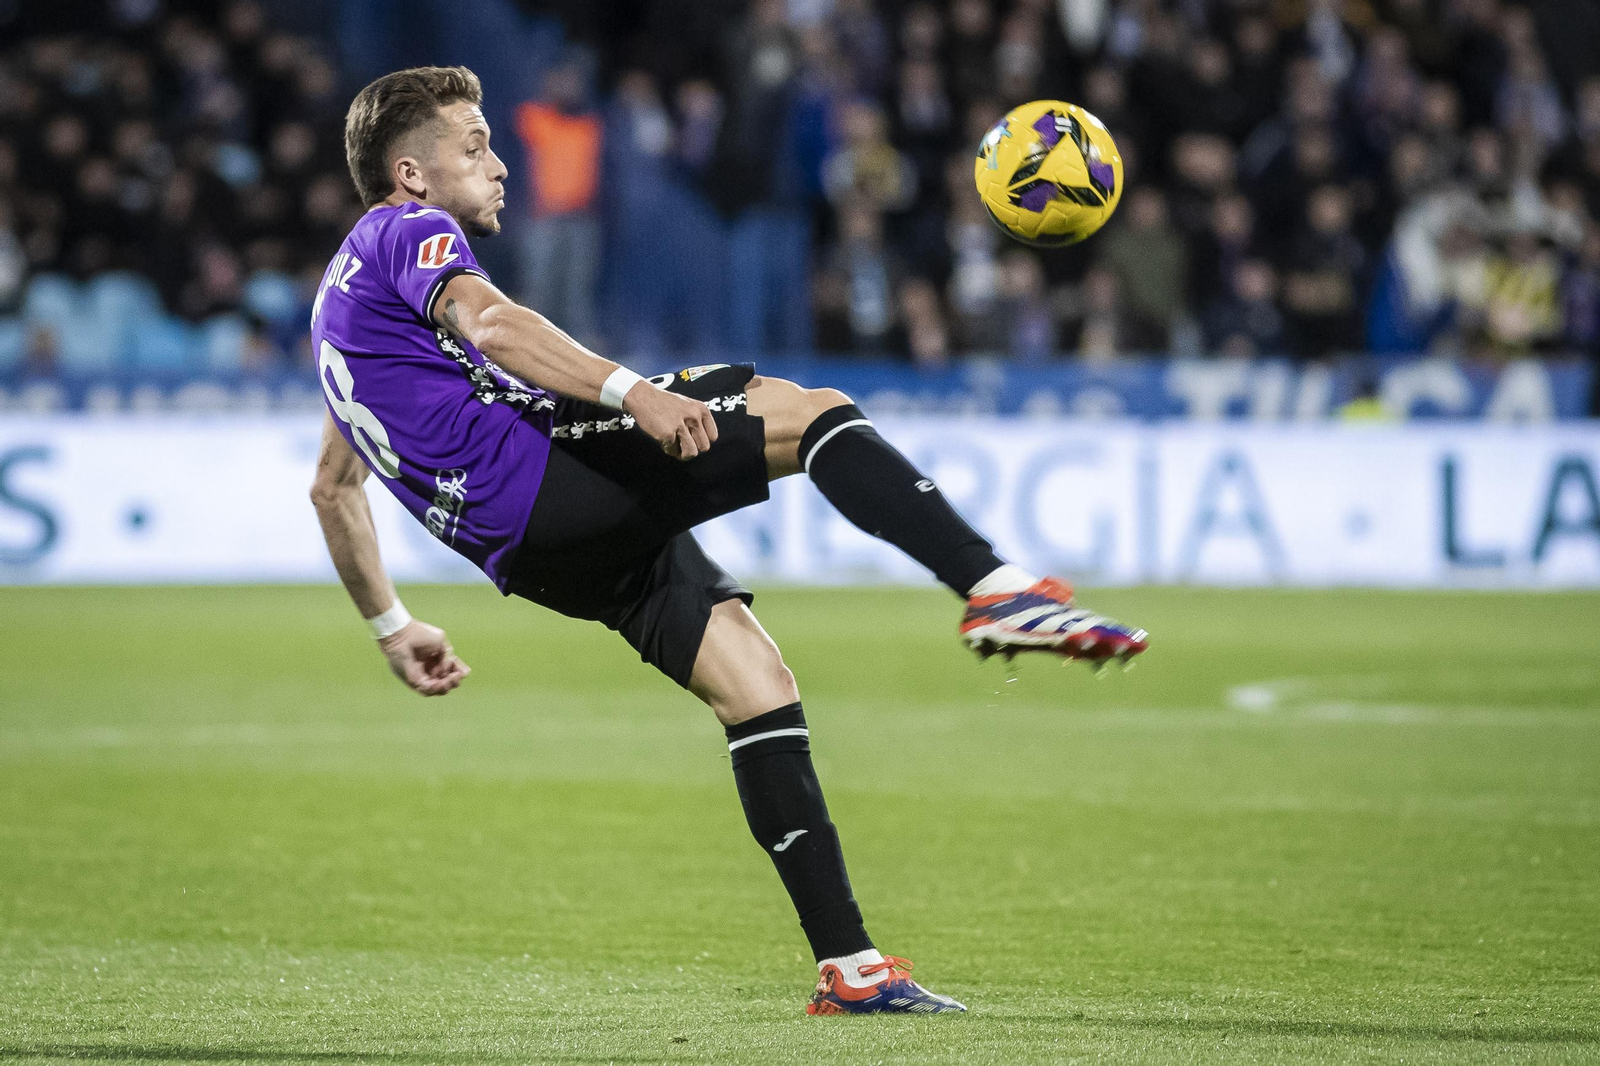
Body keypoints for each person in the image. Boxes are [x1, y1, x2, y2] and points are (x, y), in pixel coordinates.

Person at [308, 67, 1147, 1017]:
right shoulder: (410, 231)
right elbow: (491, 320)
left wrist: (390, 623)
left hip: (540, 556)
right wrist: (636, 392)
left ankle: (852, 970)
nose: (499, 165)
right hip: (553, 482)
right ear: (410, 174)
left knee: (757, 686)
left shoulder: (343, 312)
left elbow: (333, 488)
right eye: (474, 146)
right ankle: (995, 586)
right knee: (815, 413)